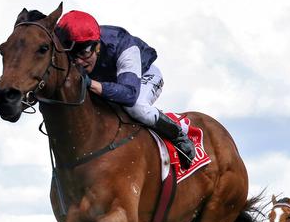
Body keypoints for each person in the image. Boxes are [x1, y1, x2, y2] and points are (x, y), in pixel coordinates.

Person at [55, 10, 196, 169]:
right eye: (73, 56)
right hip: (107, 81)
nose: (79, 61)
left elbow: (129, 94)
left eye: (84, 53)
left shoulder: (123, 45)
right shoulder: (67, 44)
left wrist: (90, 84)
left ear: (98, 46)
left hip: (141, 78)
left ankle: (178, 135)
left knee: (137, 109)